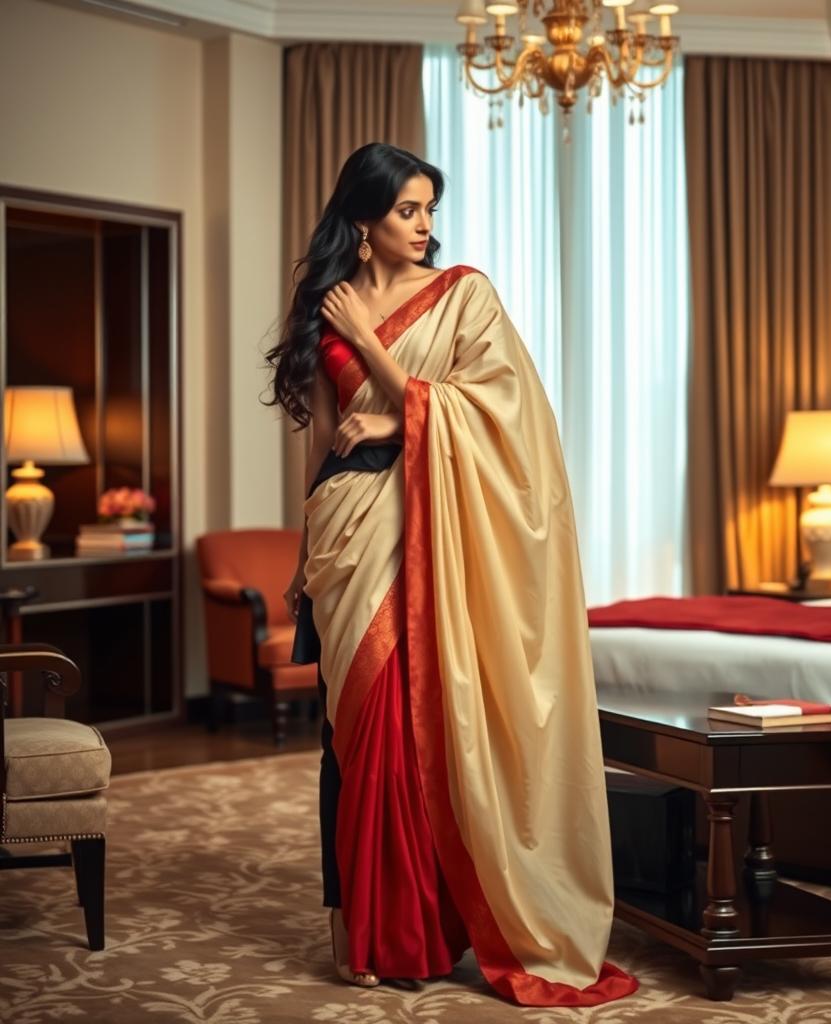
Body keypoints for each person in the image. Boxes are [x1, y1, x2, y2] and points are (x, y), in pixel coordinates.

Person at [264, 141, 637, 1006]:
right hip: (346, 529)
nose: (426, 225)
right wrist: (302, 556)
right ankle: (358, 923)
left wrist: (390, 400)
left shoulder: (464, 293)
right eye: (407, 211)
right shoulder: (326, 307)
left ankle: (419, 930)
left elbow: (502, 413)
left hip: (428, 522)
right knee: (351, 737)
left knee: (412, 721)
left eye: (430, 209)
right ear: (364, 223)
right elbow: (323, 439)